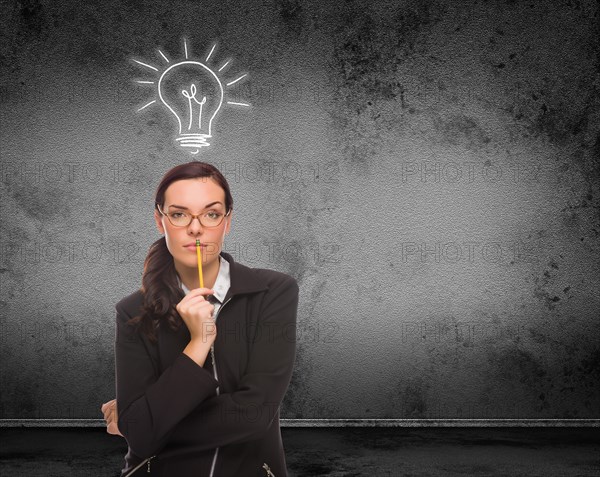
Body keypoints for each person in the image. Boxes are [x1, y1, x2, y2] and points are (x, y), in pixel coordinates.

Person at [100, 161, 299, 477]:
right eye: (179, 215)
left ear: (227, 221)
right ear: (159, 220)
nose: (195, 228)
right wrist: (199, 342)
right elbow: (140, 435)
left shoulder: (273, 292)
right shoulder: (133, 312)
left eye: (211, 213)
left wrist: (144, 424)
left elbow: (254, 413)